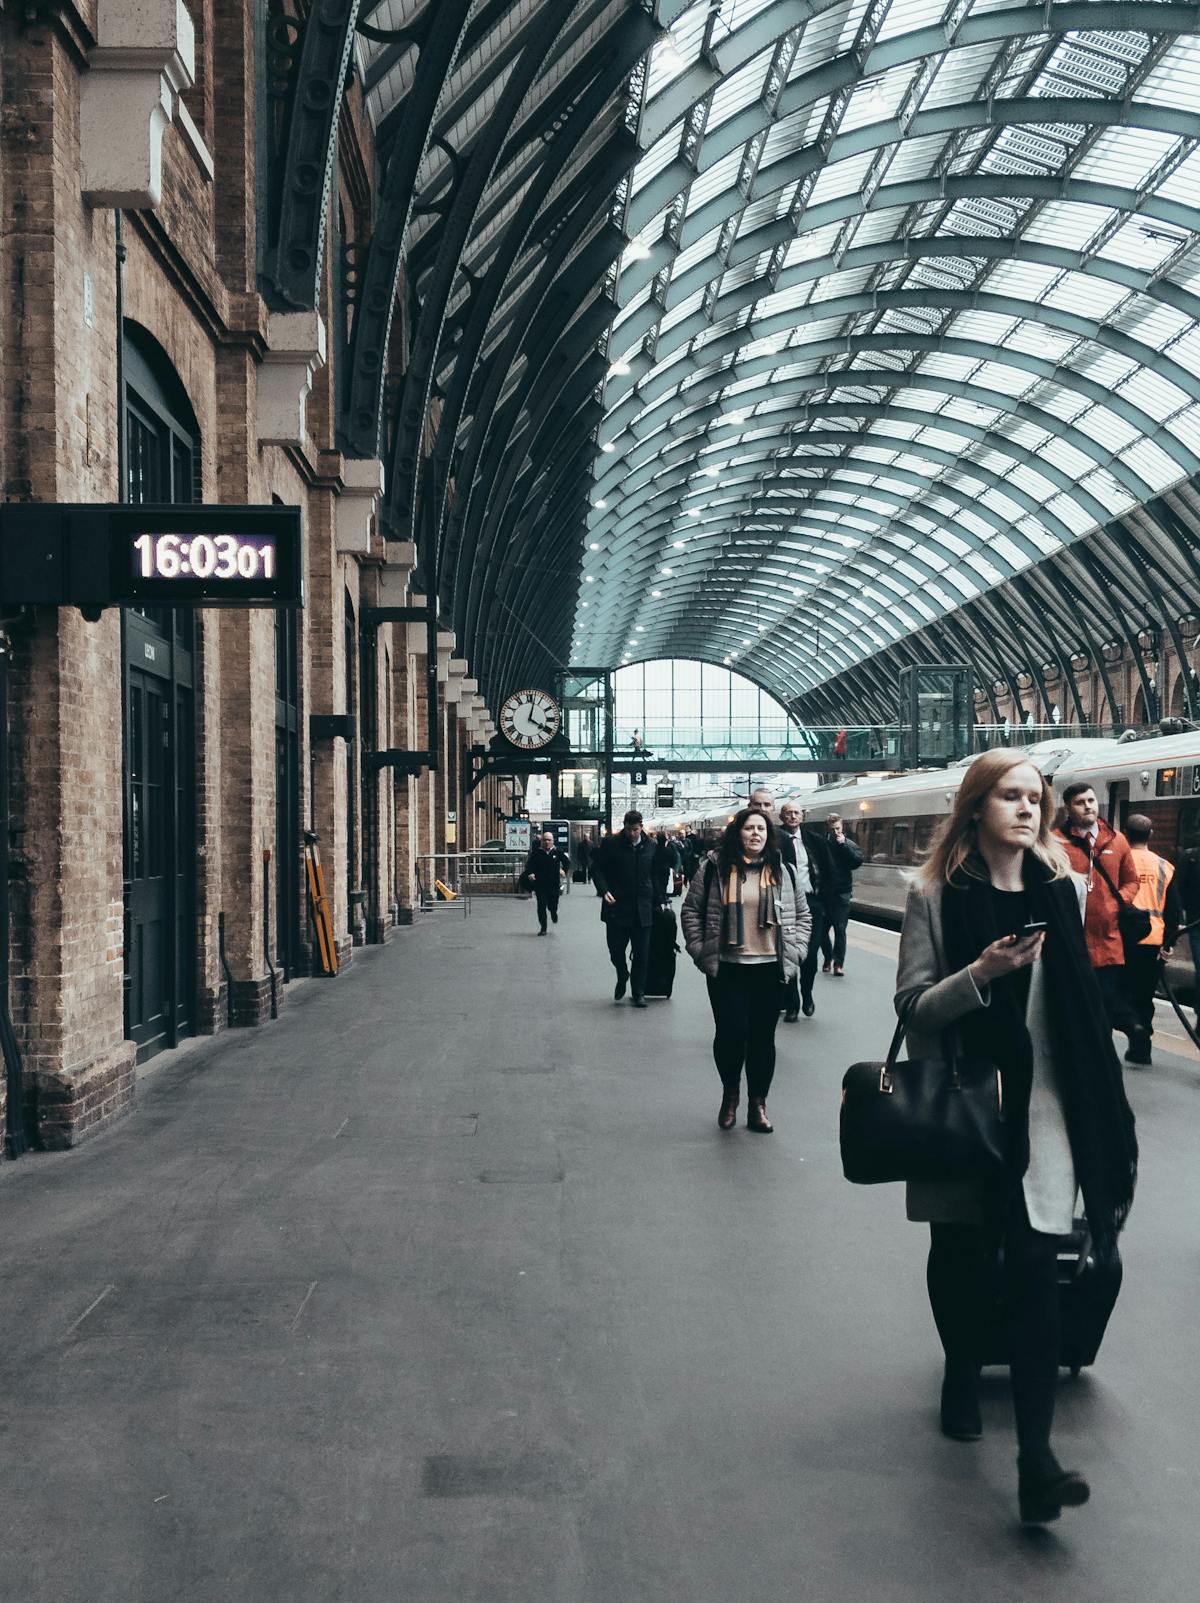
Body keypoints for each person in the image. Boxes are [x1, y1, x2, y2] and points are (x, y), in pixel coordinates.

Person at [895, 749, 1137, 1525]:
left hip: (1045, 1113)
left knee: (1037, 1268)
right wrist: (980, 974)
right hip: (968, 1105)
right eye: (1011, 796)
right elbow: (912, 1007)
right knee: (961, 1254)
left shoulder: (1061, 888)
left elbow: (1078, 1008)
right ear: (976, 807)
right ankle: (961, 1366)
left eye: (1036, 796)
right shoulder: (933, 894)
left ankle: (1036, 1458)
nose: (1029, 809)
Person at [681, 808, 809, 1133]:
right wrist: (700, 950)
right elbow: (691, 909)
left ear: (770, 835)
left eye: (762, 830)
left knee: (763, 1039)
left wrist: (795, 953)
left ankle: (758, 1104)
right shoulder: (715, 868)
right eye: (750, 828)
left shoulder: (784, 871)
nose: (756, 834)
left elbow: (804, 916)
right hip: (728, 969)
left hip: (770, 969)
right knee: (731, 1035)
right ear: (738, 833)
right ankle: (730, 1094)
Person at [1052, 783, 1142, 1055]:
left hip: (1108, 939)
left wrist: (1118, 903)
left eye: (1091, 800)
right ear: (1068, 808)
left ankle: (1099, 1051)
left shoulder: (1117, 841)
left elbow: (1132, 881)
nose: (1088, 806)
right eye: (1080, 802)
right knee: (1078, 1001)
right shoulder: (1056, 842)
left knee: (1103, 999)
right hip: (1071, 939)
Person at [590, 809, 670, 1006]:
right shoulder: (611, 844)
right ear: (624, 827)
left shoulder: (651, 846)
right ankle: (622, 972)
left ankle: (638, 992)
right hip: (617, 907)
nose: (632, 834)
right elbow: (597, 868)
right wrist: (603, 889)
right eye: (628, 829)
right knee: (616, 950)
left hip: (644, 909)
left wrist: (661, 899)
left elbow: (657, 875)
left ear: (641, 827)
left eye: (635, 829)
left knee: (642, 954)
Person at [1120, 814, 1182, 1066]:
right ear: (1151, 835)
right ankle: (1141, 1048)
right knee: (1144, 997)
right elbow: (1173, 912)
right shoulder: (1165, 867)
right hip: (1152, 942)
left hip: (1120, 940)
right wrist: (1168, 945)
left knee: (1115, 992)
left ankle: (1123, 1029)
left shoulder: (1118, 863)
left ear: (1125, 833)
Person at [777, 799, 817, 1021]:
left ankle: (807, 993)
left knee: (810, 954)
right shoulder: (775, 839)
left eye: (797, 812)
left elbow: (828, 868)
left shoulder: (813, 841)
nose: (793, 816)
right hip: (786, 901)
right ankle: (792, 1003)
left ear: (803, 816)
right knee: (789, 952)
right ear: (781, 817)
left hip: (812, 902)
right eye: (788, 813)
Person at [818, 812, 863, 976]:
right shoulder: (822, 845)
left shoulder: (850, 844)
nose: (835, 832)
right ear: (828, 829)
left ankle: (838, 964)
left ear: (842, 827)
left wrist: (843, 845)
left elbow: (857, 862)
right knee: (822, 932)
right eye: (832, 830)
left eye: (837, 828)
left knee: (840, 929)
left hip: (842, 894)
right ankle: (828, 956)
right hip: (824, 895)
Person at [520, 831, 570, 935]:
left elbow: (566, 862)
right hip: (540, 884)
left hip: (554, 884)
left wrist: (564, 870)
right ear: (541, 841)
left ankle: (553, 912)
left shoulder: (557, 852)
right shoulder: (537, 853)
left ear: (552, 841)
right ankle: (543, 927)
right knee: (541, 905)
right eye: (545, 840)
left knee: (553, 904)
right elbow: (529, 865)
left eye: (549, 840)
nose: (547, 842)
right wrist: (530, 873)